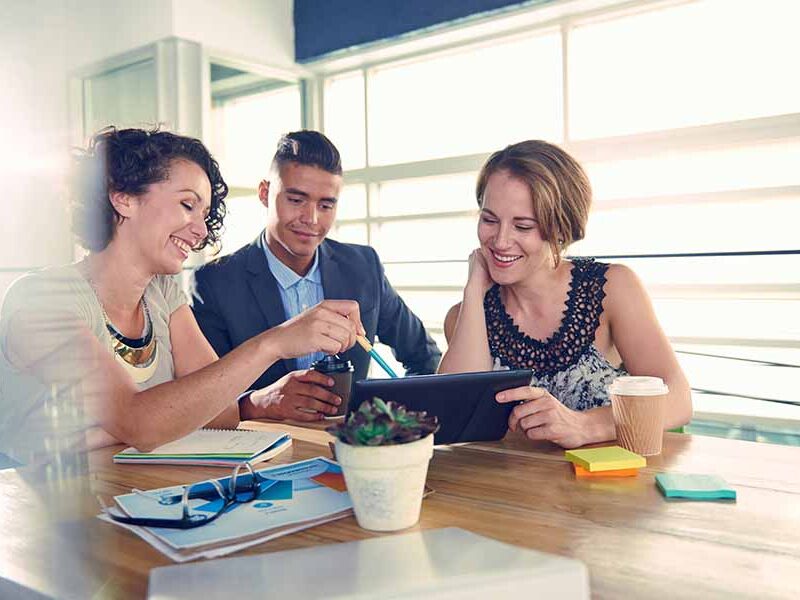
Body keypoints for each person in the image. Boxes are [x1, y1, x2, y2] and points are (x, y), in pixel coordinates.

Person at [0, 127, 363, 464]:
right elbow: (142, 426)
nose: (201, 230)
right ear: (123, 198)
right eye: (188, 205)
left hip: (123, 490)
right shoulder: (41, 301)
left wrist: (102, 431)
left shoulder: (162, 294)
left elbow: (220, 412)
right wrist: (275, 343)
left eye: (205, 214)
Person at [438, 140, 691, 449]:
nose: (500, 241)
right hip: (506, 492)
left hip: (608, 489)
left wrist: (586, 425)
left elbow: (678, 399)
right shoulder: (466, 316)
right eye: (489, 219)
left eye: (523, 226)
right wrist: (473, 289)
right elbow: (456, 419)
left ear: (560, 228)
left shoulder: (612, 288)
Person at [190, 130, 441, 422]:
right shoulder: (215, 283)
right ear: (264, 193)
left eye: (326, 205)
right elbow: (195, 400)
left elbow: (425, 358)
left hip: (352, 452)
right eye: (296, 200)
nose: (311, 219)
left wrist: (387, 423)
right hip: (260, 455)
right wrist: (260, 403)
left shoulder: (364, 266)